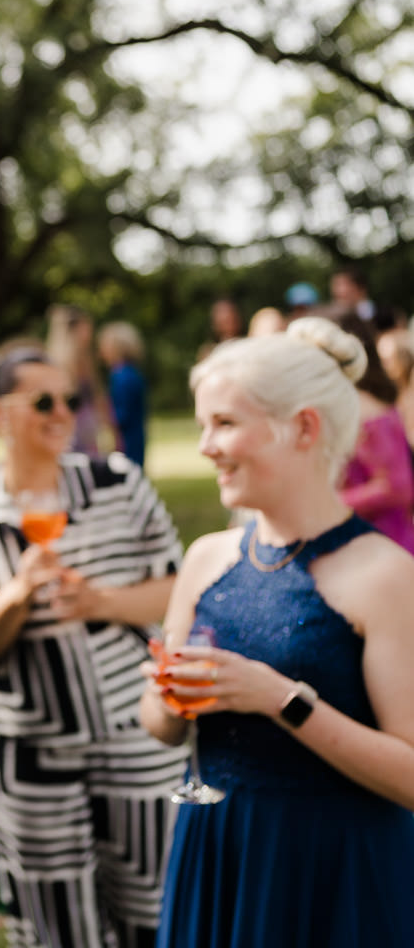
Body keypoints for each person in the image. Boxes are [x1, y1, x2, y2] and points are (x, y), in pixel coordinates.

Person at [145, 316, 414, 946]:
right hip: (218, 852)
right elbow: (159, 726)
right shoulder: (207, 559)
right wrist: (167, 688)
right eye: (204, 425)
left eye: (225, 424)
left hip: (335, 869)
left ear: (304, 427)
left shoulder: (386, 576)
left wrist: (276, 698)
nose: (206, 446)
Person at [0, 346, 188, 948]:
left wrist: (100, 603)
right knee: (52, 919)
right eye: (43, 401)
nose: (62, 414)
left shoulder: (118, 483)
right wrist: (20, 592)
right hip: (29, 749)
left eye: (71, 400)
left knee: (153, 909)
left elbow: (176, 586)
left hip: (134, 734)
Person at [314, 308, 414, 554]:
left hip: (384, 543)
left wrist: (326, 503)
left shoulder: (365, 408)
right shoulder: (351, 402)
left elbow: (396, 488)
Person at [46, 304, 111, 459]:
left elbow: (96, 394)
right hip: (74, 427)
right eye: (86, 327)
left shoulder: (85, 358)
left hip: (87, 426)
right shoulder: (63, 362)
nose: (90, 332)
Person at [98, 320, 148, 468]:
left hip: (126, 440)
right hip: (135, 436)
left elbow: (121, 415)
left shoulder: (122, 376)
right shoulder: (131, 372)